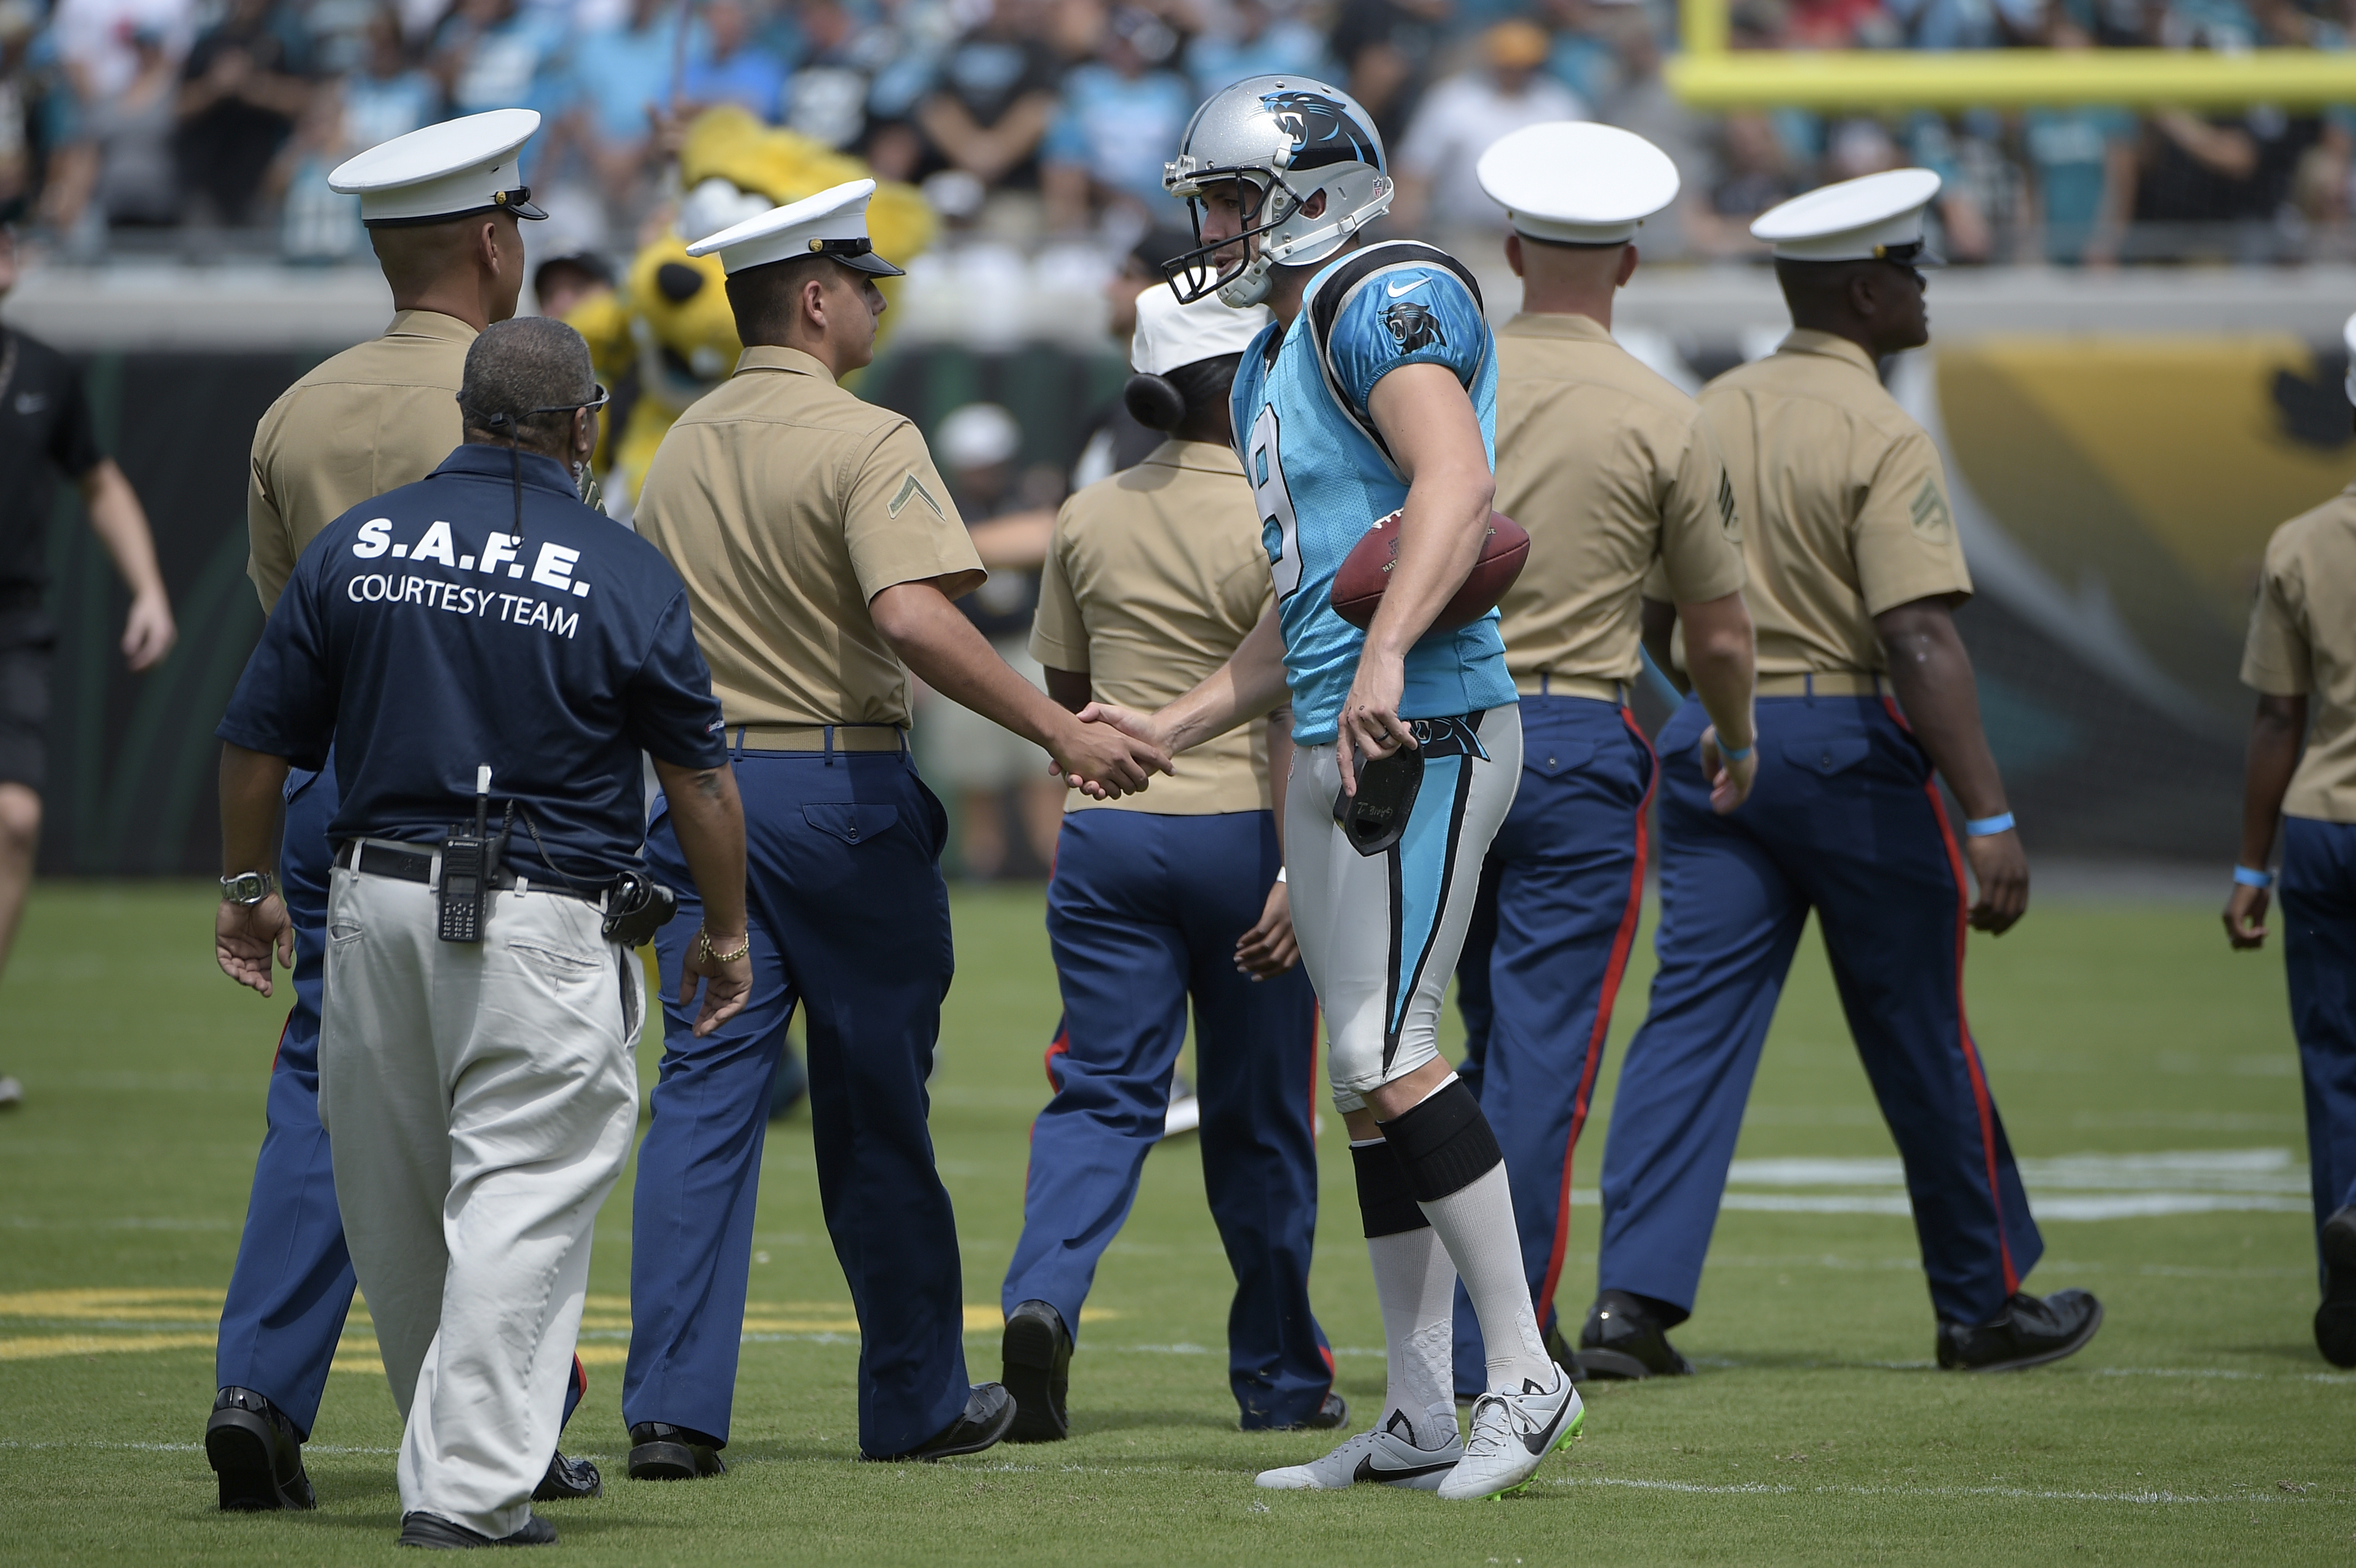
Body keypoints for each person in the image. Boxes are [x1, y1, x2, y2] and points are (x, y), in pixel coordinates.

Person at [624, 179, 1168, 1474]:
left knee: (702, 1103)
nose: (877, 301)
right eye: (864, 282)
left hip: (700, 793)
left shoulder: (683, 441)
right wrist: (1062, 729)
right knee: (875, 1108)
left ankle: (670, 1412)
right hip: (838, 794)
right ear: (815, 297)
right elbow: (915, 617)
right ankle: (914, 1396)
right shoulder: (869, 436)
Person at [1093, 75, 1577, 1502]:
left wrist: (1380, 661)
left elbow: (1454, 485)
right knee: (1361, 1082)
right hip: (1339, 726)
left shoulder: (1387, 292)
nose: (1212, 224)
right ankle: (1420, 1407)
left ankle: (1526, 1371)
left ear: (1314, 191)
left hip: (1420, 726)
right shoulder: (1267, 346)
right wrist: (1175, 718)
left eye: (1230, 197)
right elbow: (1305, 587)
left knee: (1386, 1050)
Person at [212, 317, 750, 1550]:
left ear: (466, 414)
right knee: (524, 1189)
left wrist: (247, 885)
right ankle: (467, 1491)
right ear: (579, 424)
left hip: (372, 900)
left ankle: (448, 1455)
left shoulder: (355, 545)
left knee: (393, 1200)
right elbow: (699, 779)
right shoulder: (620, 566)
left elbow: (255, 739)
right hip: (545, 913)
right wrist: (724, 932)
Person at [1584, 169, 2103, 1381]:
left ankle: (1626, 1305)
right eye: (1909, 270)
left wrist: (1691, 730)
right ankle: (1976, 1306)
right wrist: (1989, 812)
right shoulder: (1878, 426)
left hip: (1719, 755)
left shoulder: (1706, 407)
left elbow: (1649, 630)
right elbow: (1917, 637)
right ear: (1864, 290)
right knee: (1916, 1027)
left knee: (1688, 1027)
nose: (1922, 289)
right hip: (1850, 748)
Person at [210, 108, 609, 1514]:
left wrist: (250, 865)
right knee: (522, 1119)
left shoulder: (295, 409)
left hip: (341, 795)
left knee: (335, 1102)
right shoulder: (546, 392)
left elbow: (283, 644)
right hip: (522, 812)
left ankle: (259, 1381)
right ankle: (508, 1432)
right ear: (497, 240)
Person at [1442, 122, 1754, 1398]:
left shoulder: (1441, 386)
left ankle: (1439, 1337)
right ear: (1627, 262)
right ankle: (1500, 1342)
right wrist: (1729, 737)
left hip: (1429, 731)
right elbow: (1719, 626)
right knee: (1538, 1059)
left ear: (1508, 252)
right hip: (1573, 738)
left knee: (1431, 1049)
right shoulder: (1660, 413)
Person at [999, 286, 1338, 1441]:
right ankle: (1282, 1378)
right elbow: (1300, 706)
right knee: (1258, 1121)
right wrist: (1299, 873)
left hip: (1109, 837)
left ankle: (1041, 1297)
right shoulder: (1287, 508)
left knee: (1098, 1094)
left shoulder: (1089, 511)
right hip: (1246, 831)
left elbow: (1065, 697)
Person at [0, 206, 179, 1113]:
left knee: (15, 820)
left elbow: (99, 481)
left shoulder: (42, 369)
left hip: (14, 623)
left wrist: (147, 588)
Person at [2222, 308, 2356, 1370]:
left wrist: (2248, 865)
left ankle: (2343, 1284)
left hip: (2319, 825)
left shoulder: (2301, 540)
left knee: (2334, 1062)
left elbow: (2279, 716)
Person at [921, 401, 1065, 881]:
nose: (984, 471)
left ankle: (1055, 867)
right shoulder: (945, 509)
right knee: (975, 777)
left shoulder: (1023, 499)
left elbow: (1046, 537)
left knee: (1043, 771)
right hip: (966, 647)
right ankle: (984, 873)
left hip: (1028, 647)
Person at [1390, 21, 1584, 236]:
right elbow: (1415, 168)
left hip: (1541, 233)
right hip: (1463, 233)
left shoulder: (1560, 105)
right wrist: (1404, 224)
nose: (1515, 72)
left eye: (1523, 65)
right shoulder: (1453, 100)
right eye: (1508, 64)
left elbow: (1581, 171)